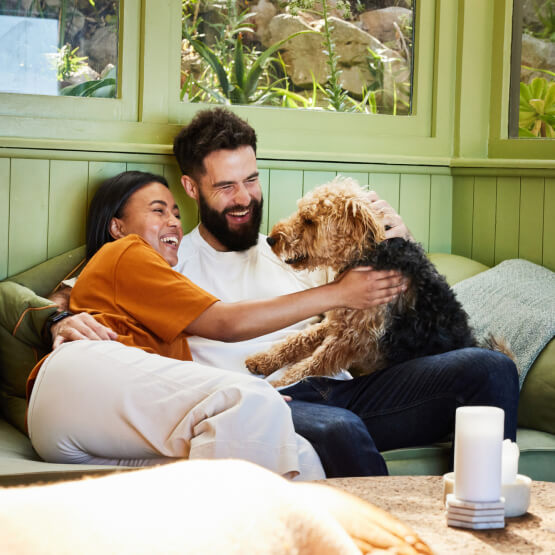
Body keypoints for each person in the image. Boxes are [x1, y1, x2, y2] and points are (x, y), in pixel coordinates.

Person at [53, 108, 520, 478]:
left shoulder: (297, 248)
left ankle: (486, 511)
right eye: (226, 186)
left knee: (491, 369)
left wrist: (397, 244)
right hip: (262, 404)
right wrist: (56, 319)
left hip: (341, 391)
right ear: (192, 188)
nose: (244, 198)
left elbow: (392, 307)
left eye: (252, 180)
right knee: (340, 429)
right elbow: (74, 292)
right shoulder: (168, 256)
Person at [28, 170, 405, 480]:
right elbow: (225, 322)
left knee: (302, 457)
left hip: (89, 429)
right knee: (252, 399)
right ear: (117, 227)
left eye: (176, 212)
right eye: (158, 211)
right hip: (79, 383)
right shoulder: (127, 252)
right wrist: (341, 292)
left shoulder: (149, 286)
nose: (173, 221)